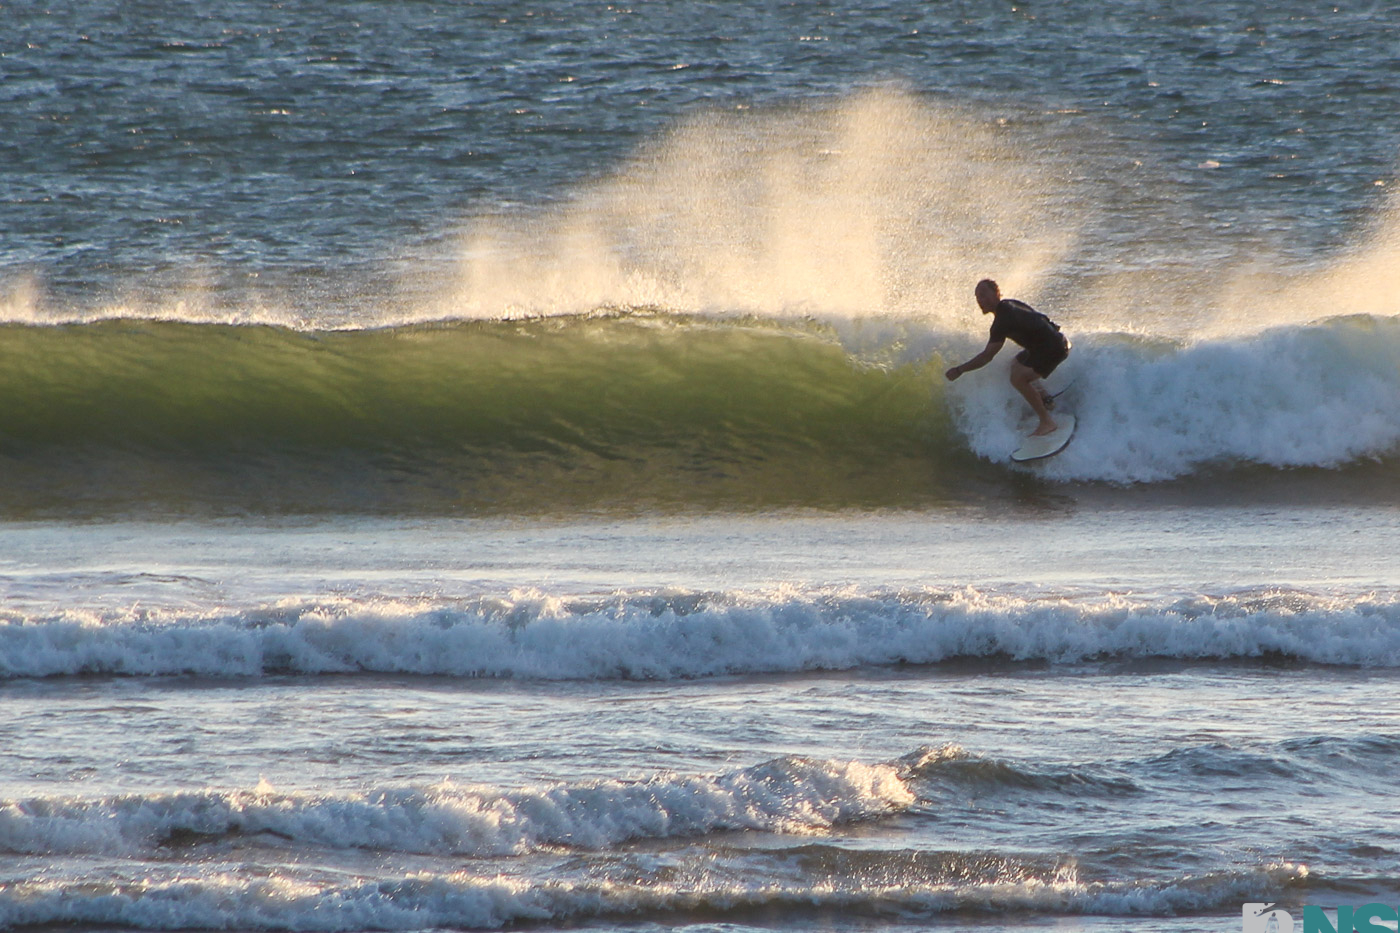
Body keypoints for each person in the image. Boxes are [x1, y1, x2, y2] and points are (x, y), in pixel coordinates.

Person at [944, 279, 1070, 436]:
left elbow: (986, 357)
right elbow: (1042, 319)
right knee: (1016, 364)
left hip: (1053, 349)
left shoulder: (1002, 321)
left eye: (984, 295)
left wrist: (960, 370)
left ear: (997, 292)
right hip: (1058, 341)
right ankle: (1045, 400)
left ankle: (1047, 422)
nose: (980, 301)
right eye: (977, 297)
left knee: (1017, 379)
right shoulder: (1011, 305)